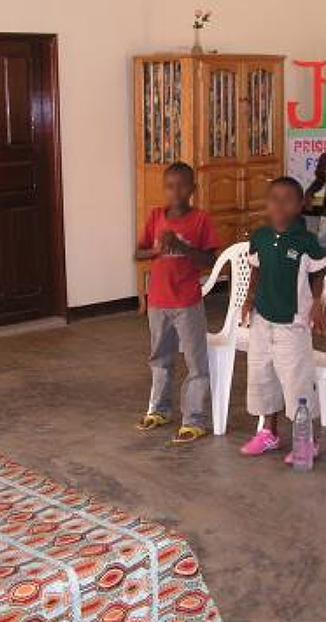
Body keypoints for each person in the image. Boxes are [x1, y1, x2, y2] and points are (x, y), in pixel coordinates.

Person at [240, 177, 326, 462]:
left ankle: (307, 441)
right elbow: (256, 269)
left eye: (288, 199)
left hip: (292, 324)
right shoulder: (260, 236)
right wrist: (249, 297)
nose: (279, 205)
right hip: (262, 320)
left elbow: (319, 276)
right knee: (262, 375)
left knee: (296, 381)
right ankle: (269, 432)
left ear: (301, 204)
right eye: (274, 198)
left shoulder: (307, 241)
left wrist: (318, 304)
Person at [135, 162, 218, 443]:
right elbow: (138, 253)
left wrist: (181, 247)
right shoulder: (156, 215)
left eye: (183, 185)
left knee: (196, 362)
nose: (176, 191)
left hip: (187, 302)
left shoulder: (201, 220)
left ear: (193, 189)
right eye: (170, 186)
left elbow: (210, 259)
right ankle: (159, 409)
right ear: (164, 188)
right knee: (160, 357)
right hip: (158, 301)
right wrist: (157, 249)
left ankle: (194, 418)